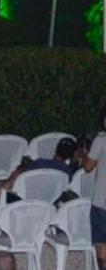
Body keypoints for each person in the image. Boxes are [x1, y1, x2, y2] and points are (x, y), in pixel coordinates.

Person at [0, 137, 80, 201]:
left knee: (18, 173)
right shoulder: (68, 172)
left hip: (26, 199)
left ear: (56, 149)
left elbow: (21, 177)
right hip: (50, 201)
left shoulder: (40, 162)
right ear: (70, 155)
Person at [80, 104, 106, 268]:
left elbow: (88, 167)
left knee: (102, 246)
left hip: (102, 201)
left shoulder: (101, 140)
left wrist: (83, 153)